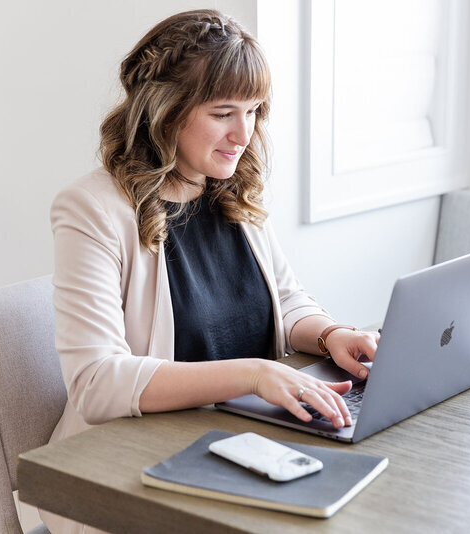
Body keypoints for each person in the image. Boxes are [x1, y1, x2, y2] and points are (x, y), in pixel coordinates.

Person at [41, 9, 379, 533]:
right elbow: (96, 382)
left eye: (253, 110)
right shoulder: (92, 209)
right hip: (130, 470)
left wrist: (333, 334)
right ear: (165, 111)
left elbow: (286, 304)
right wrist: (253, 373)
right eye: (224, 112)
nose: (243, 133)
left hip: (240, 443)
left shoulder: (227, 189)